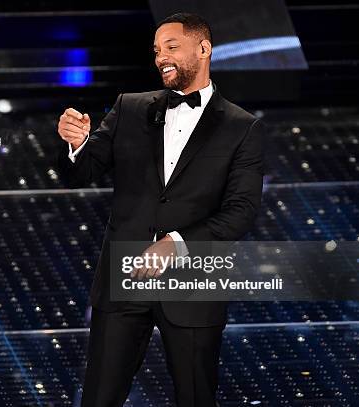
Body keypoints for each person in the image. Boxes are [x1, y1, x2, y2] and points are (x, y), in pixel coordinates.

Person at [57, 12, 264, 407]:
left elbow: (240, 211)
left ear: (203, 49)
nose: (160, 58)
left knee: (195, 396)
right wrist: (78, 142)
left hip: (192, 284)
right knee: (100, 397)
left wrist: (178, 244)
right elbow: (85, 170)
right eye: (156, 51)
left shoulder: (242, 127)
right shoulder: (130, 108)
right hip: (125, 279)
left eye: (171, 47)